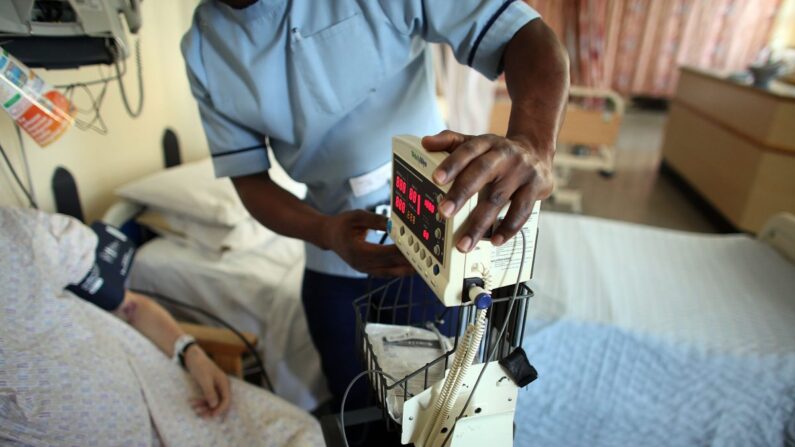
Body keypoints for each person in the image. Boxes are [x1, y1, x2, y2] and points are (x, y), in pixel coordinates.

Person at [181, 0, 569, 408]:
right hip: (330, 252)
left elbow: (525, 34)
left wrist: (534, 142)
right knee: (355, 407)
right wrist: (326, 232)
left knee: (442, 410)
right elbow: (249, 179)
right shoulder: (206, 47)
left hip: (434, 229)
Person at [0, 207, 323, 446]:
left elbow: (131, 306)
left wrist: (191, 353)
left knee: (303, 434)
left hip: (171, 397)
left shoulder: (17, 235)